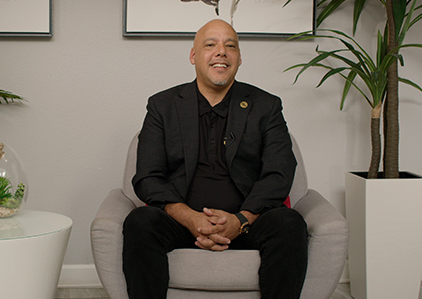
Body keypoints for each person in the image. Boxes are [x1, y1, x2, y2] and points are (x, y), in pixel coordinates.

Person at [122, 19, 308, 299]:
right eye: (210, 45)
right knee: (140, 222)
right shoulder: (162, 106)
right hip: (183, 222)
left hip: (248, 223)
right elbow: (148, 176)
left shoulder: (266, 106)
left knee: (290, 223)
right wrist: (190, 217)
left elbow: (279, 173)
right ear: (194, 55)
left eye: (230, 46)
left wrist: (240, 219)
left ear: (239, 58)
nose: (221, 51)